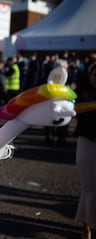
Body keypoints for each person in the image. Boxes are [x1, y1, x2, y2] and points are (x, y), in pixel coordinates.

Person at [74, 62, 96, 239]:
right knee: (88, 188)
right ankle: (86, 227)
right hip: (86, 142)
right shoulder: (82, 94)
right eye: (95, 74)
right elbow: (77, 111)